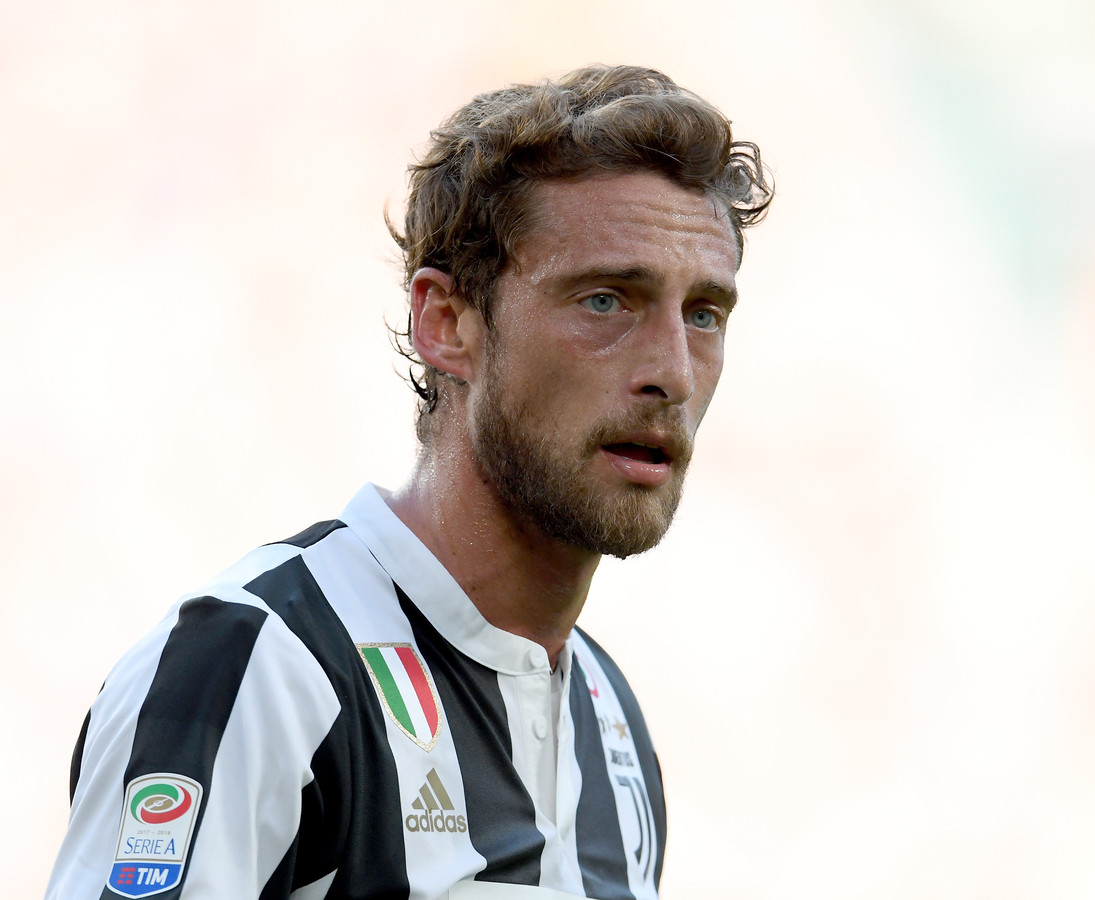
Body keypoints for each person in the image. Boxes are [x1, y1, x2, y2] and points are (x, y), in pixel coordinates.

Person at [46, 64, 772, 900]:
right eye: (606, 300)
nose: (673, 372)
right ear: (447, 323)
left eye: (704, 314)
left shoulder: (611, 725)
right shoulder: (261, 665)